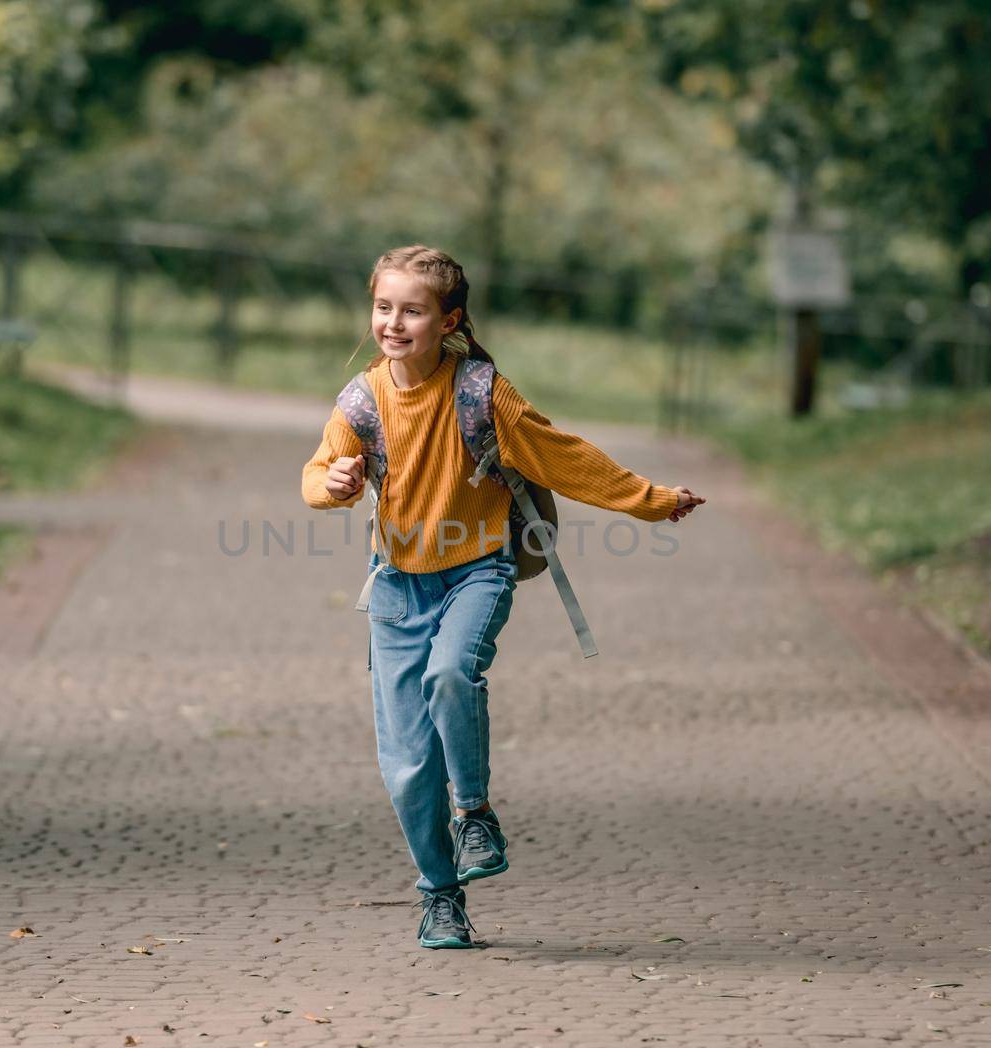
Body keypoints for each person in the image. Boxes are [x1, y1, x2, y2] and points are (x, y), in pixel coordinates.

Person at [301, 245, 704, 949]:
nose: (393, 323)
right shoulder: (361, 401)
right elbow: (316, 472)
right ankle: (441, 896)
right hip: (397, 587)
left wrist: (653, 500)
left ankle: (474, 811)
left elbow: (567, 456)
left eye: (412, 310)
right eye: (383, 307)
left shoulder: (482, 393)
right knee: (403, 768)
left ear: (449, 319)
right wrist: (330, 485)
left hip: (477, 571)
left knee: (452, 673)